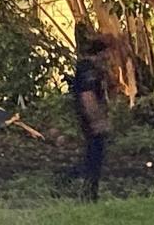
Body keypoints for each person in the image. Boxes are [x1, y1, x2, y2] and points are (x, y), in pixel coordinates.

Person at [59, 33, 112, 201]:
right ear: (100, 53)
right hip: (91, 120)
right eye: (106, 54)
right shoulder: (89, 70)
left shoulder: (88, 69)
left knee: (93, 157)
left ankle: (87, 191)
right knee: (93, 158)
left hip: (88, 118)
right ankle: (82, 189)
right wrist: (98, 120)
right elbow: (88, 97)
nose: (108, 59)